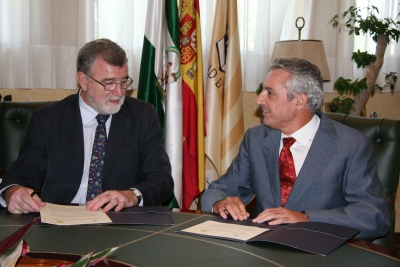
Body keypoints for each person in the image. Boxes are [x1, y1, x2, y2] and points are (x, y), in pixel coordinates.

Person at [201, 58, 390, 239]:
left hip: (321, 252)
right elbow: (220, 188)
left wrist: (307, 218)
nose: (259, 100)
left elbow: (374, 216)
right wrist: (220, 202)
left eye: (270, 92)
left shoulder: (351, 145)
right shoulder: (256, 138)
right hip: (262, 249)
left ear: (299, 101)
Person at [0, 38, 173, 214]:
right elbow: (21, 175)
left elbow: (162, 180)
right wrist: (12, 192)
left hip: (120, 223)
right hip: (61, 224)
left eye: (123, 81)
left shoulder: (142, 116)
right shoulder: (48, 119)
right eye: (109, 82)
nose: (119, 92)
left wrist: (132, 195)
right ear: (83, 80)